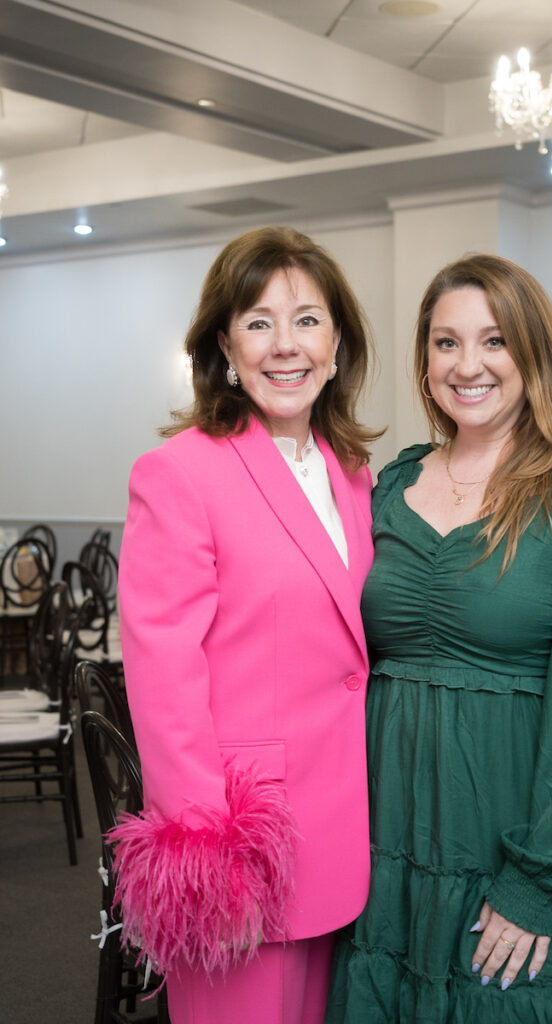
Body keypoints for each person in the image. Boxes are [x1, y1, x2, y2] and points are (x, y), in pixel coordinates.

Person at [325, 253, 552, 1023]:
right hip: (391, 850)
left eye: (494, 341)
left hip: (520, 850)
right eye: (445, 342)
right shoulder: (386, 485)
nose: (467, 364)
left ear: (533, 353)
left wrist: (539, 883)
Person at [110, 226, 381, 1024]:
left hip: (343, 827)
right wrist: (209, 853)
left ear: (337, 342)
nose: (284, 345)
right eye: (258, 322)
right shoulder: (180, 473)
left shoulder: (352, 473)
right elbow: (163, 680)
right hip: (243, 841)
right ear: (225, 344)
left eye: (306, 320)